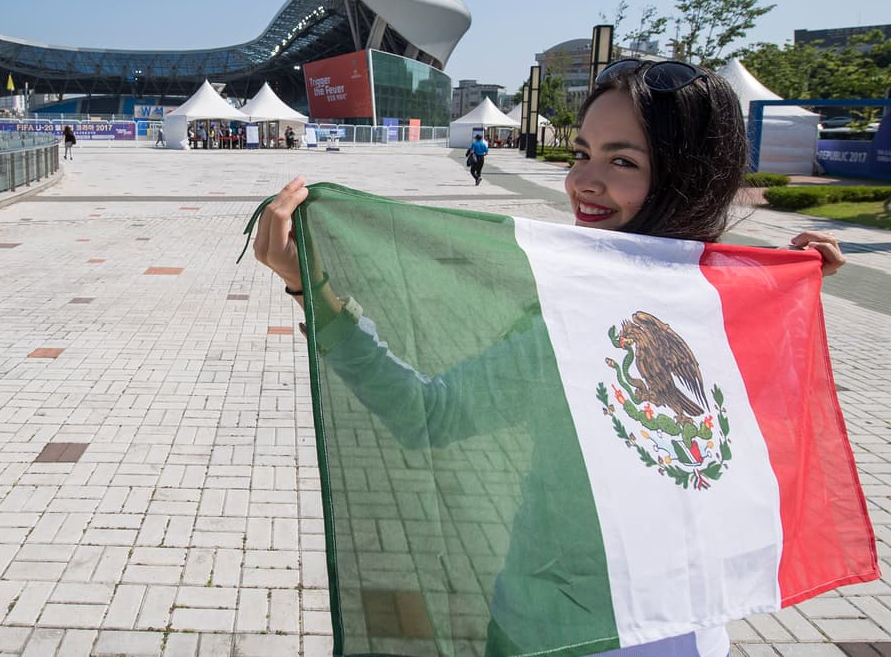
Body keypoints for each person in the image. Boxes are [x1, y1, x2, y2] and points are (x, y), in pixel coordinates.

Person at [252, 59, 845, 657]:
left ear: (687, 175)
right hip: (570, 629)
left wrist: (784, 295)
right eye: (581, 153)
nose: (583, 182)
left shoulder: (724, 304)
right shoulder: (571, 318)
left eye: (622, 161)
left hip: (664, 628)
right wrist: (313, 290)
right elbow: (429, 413)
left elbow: (766, 450)